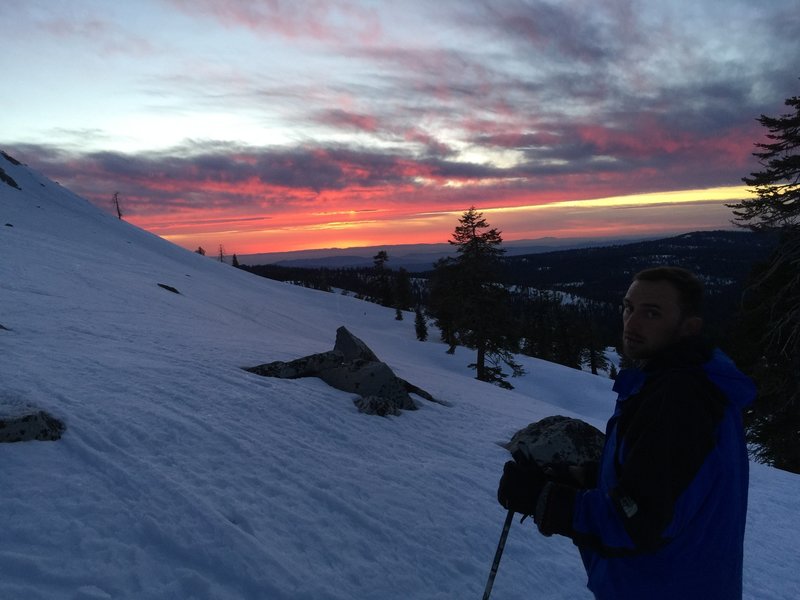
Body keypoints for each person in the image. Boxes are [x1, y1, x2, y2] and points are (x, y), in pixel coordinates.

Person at [497, 266, 756, 599]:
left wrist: (542, 499)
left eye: (652, 313)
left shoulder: (680, 401)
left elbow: (638, 524)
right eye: (628, 307)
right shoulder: (679, 384)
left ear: (688, 328)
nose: (632, 324)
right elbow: (663, 485)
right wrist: (582, 477)